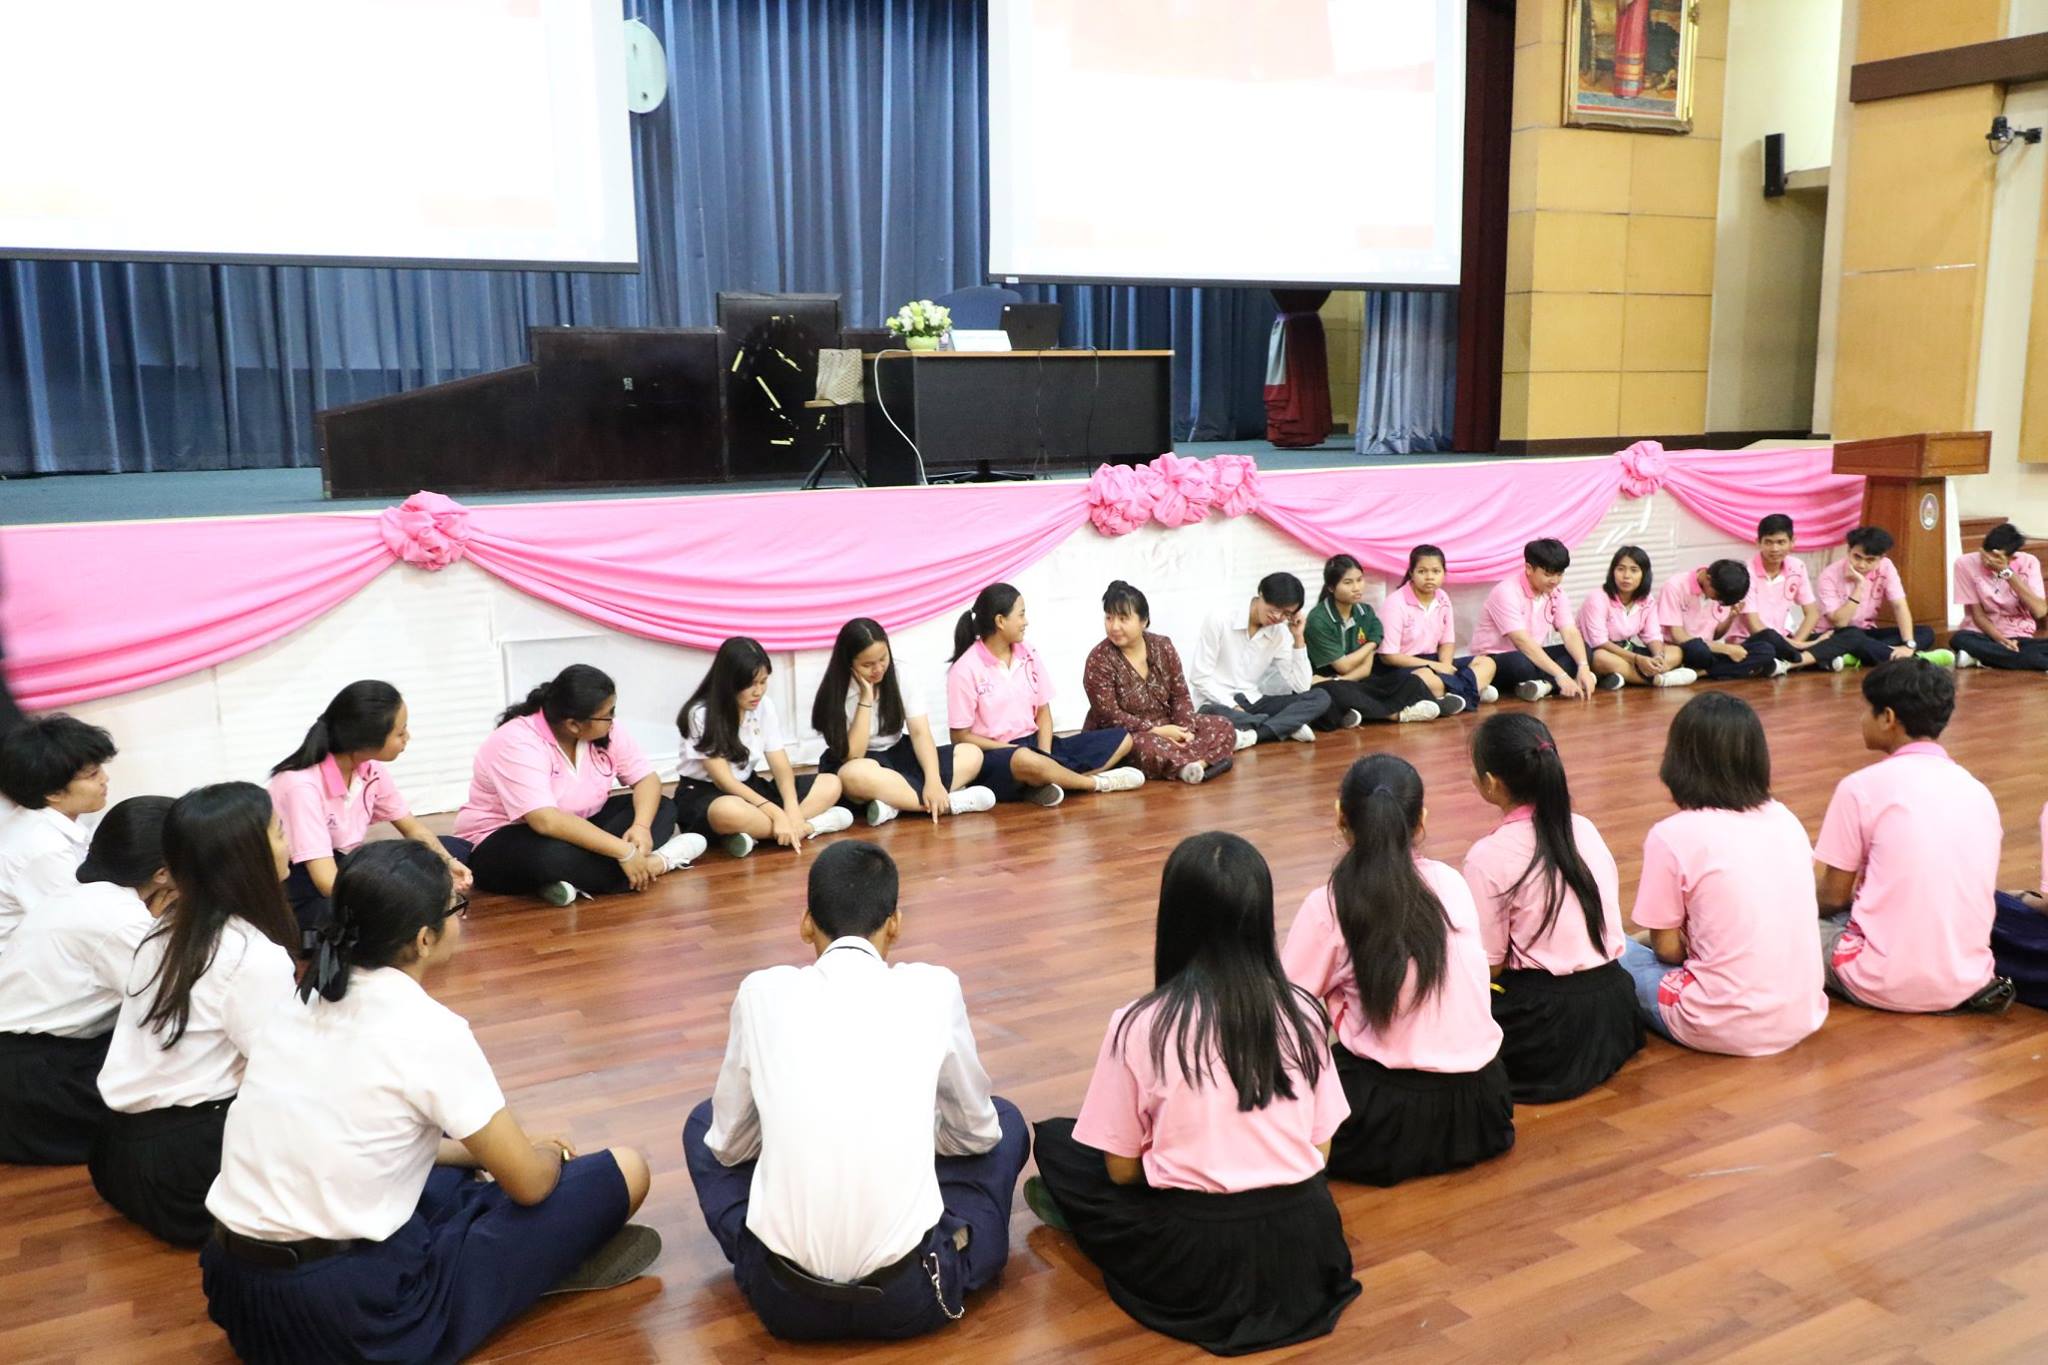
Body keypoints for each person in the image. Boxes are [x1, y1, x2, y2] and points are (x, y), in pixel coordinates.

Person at [201, 842, 657, 1363]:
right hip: (348, 1317)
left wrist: (473, 1154)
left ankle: (503, 1252)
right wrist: (546, 1152)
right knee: (626, 1170)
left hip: (237, 1292)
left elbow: (355, 1143)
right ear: (423, 939)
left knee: (454, 1169)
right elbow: (531, 1186)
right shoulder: (429, 1030)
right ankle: (524, 1272)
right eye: (456, 909)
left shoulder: (298, 1002)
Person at [1027, 833, 1361, 1354]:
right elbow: (1319, 1151)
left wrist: (1176, 1157)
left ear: (1174, 919)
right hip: (1307, 1242)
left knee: (1057, 1144)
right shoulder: (1303, 1012)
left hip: (1201, 1257)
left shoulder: (1141, 1023)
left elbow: (1121, 1170)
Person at [684, 841, 1030, 1342]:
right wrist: (919, 1134)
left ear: (806, 924)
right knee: (1005, 1122)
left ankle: (767, 1241)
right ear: (895, 923)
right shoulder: (935, 989)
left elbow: (730, 1147)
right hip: (911, 1296)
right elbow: (976, 1134)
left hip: (785, 1302)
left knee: (702, 1125)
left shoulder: (760, 993)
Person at [1281, 755, 1514, 1186]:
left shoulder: (1330, 903)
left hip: (1387, 1123)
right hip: (1484, 1108)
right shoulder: (1451, 882)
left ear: (1340, 815)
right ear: (1421, 819)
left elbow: (1283, 1012)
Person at [91, 782, 299, 1245]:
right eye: (280, 832)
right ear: (247, 858)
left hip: (116, 1155)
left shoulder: (166, 928)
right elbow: (283, 1075)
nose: (289, 843)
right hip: (185, 1170)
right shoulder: (251, 955)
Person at [1618, 694, 1828, 1056]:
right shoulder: (1785, 819)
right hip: (1803, 1012)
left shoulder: (1672, 834)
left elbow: (1668, 950)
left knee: (1609, 948)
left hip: (1721, 1021)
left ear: (1678, 759)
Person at [1813, 659, 2013, 1014]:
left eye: (1866, 709)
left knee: (1782, 921)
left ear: (1888, 718)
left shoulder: (1861, 787)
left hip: (1881, 979)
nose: (1861, 719)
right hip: (1967, 978)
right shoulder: (1978, 791)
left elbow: (1832, 897)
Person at [1462, 715, 1641, 1103]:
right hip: (1614, 1006)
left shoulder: (1488, 855)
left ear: (1491, 783)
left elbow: (1490, 966)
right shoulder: (1584, 827)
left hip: (1544, 1026)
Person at [0, 797, 173, 1164]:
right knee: (177, 1097)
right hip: (36, 1080)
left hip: (28, 1059)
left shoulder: (83, 895)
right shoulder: (121, 920)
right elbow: (171, 1002)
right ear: (162, 874)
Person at [454, 664, 698, 905]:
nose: (613, 719)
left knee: (662, 808)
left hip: (578, 825)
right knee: (550, 857)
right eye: (608, 714)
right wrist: (625, 852)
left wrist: (641, 827)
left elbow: (646, 779)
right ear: (573, 725)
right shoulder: (516, 742)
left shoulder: (605, 730)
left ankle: (566, 881)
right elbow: (545, 821)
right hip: (505, 838)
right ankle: (657, 864)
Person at [267, 680, 473, 934]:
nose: (407, 737)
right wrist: (399, 894)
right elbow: (326, 882)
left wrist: (448, 862)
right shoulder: (301, 786)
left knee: (451, 849)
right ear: (366, 739)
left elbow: (413, 828)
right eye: (400, 733)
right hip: (300, 886)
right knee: (384, 910)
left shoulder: (370, 770)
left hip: (343, 863)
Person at [946, 584, 1145, 806]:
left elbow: (1043, 711)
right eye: (1021, 614)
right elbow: (960, 737)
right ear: (1000, 621)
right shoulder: (965, 669)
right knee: (1025, 759)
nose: (1026, 622)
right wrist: (1016, 751)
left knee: (1122, 739)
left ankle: (1042, 781)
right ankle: (1095, 783)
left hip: (1036, 745)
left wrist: (1045, 753)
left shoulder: (1028, 653)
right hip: (995, 755)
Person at [677, 638, 853, 858]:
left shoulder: (764, 706)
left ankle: (762, 832)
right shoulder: (700, 714)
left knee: (831, 783)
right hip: (706, 792)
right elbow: (724, 781)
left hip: (748, 786)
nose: (758, 692)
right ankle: (809, 827)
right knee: (728, 811)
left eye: (763, 682)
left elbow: (780, 765)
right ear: (729, 682)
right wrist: (775, 812)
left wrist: (791, 808)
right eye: (751, 684)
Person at [810, 618, 996, 826]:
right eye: (867, 665)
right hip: (863, 760)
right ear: (848, 663)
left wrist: (933, 781)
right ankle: (949, 803)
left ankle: (894, 805)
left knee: (972, 754)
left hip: (900, 753)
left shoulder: (902, 674)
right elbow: (854, 755)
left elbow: (920, 733)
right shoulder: (836, 692)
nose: (878, 669)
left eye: (883, 658)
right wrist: (866, 699)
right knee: (852, 775)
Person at [1082, 581, 1245, 784]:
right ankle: (1203, 762)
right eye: (1109, 617)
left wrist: (1184, 731)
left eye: (1123, 618)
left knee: (1223, 725)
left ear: (1144, 621)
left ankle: (1195, 765)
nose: (1114, 626)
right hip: (1125, 734)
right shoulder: (1099, 659)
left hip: (1168, 723)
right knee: (1143, 746)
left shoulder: (1163, 646)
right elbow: (1109, 716)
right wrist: (1157, 731)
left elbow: (1180, 695)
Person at [0, 714, 115, 953]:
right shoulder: (42, 848)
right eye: (93, 774)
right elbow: (79, 926)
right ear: (53, 792)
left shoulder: (55, 820)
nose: (105, 779)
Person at [1187, 571, 1333, 742]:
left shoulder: (1280, 633)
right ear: (1261, 594)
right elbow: (1199, 677)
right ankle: (1285, 726)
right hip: (1217, 702)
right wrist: (1233, 705)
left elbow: (1301, 687)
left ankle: (1254, 733)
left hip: (1253, 701)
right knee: (1213, 715)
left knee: (1320, 697)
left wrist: (1298, 638)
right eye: (1275, 608)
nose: (1278, 617)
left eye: (1286, 614)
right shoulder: (1220, 619)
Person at [1303, 555, 1443, 726]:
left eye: (1359, 580)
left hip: (1356, 678)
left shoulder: (1366, 612)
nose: (1356, 588)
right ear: (1331, 588)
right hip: (1327, 680)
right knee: (1331, 692)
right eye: (1348, 583)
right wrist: (1371, 643)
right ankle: (1396, 714)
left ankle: (1355, 712)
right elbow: (1343, 666)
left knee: (1409, 679)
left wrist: (1370, 645)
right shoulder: (1318, 619)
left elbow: (1365, 670)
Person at [1727, 514, 1867, 672]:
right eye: (1768, 542)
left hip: (1786, 640)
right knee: (1768, 642)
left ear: (1792, 542)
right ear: (1758, 542)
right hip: (1753, 642)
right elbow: (1755, 627)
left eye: (1781, 542)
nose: (1775, 549)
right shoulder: (1746, 572)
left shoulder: (1796, 566)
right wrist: (1801, 645)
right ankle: (1811, 659)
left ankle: (1790, 663)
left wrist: (1797, 641)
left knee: (1851, 634)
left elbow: (1812, 613)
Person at [1463, 538, 1597, 702]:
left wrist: (1583, 667)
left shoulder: (1556, 593)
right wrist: (1561, 675)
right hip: (1498, 658)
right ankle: (1552, 683)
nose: (1554, 581)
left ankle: (1543, 686)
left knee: (1583, 651)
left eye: (1559, 574)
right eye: (1548, 574)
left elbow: (1569, 632)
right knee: (1519, 663)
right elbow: (1521, 641)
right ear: (1528, 568)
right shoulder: (1506, 591)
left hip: (1533, 655)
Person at [1377, 544, 1492, 707]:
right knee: (1424, 678)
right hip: (1403, 666)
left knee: (1487, 663)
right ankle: (1471, 691)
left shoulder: (1442, 597)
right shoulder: (1395, 603)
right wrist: (1435, 666)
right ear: (1411, 573)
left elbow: (1447, 642)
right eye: (1422, 571)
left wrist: (1445, 666)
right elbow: (1389, 657)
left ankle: (1454, 695)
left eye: (1436, 571)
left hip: (1435, 660)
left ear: (1444, 573)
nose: (1429, 577)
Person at [1816, 526, 1947, 664]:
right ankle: (1916, 660)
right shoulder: (1829, 575)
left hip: (1866, 633)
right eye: (1857, 557)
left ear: (1881, 558)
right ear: (1849, 550)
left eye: (1870, 560)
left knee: (1925, 632)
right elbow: (1840, 623)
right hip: (1836, 634)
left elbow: (1899, 605)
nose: (1861, 565)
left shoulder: (1886, 566)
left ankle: (1857, 656)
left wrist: (1908, 644)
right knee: (1853, 638)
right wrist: (1859, 586)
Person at [1577, 546, 1695, 689]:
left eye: (1634, 570)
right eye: (1621, 569)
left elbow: (1652, 636)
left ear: (1644, 574)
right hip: (1598, 651)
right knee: (1601, 658)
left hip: (1626, 650)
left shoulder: (1647, 600)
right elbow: (1599, 642)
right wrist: (1637, 659)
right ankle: (1659, 680)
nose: (1626, 576)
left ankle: (1625, 675)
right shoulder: (1597, 598)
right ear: (1612, 572)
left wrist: (1658, 657)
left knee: (1676, 651)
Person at [1655, 559, 1788, 681]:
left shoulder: (1722, 592)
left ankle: (1699, 673)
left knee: (1766, 649)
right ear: (1708, 579)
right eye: (1718, 598)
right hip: (1684, 649)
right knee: (1698, 649)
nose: (1719, 602)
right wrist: (1726, 649)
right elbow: (1678, 636)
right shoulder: (1675, 586)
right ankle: (1725, 669)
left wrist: (1731, 617)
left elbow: (1716, 635)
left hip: (1712, 649)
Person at [1951, 522, 2048, 671]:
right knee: (1959, 639)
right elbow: (1978, 616)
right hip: (1982, 634)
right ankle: (2037, 661)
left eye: (1996, 558)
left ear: (2012, 557)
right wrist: (2002, 640)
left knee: (2038, 646)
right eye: (1985, 555)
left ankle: (1982, 658)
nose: (1987, 562)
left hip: (2019, 635)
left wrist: (2007, 573)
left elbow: (2040, 611)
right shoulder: (1964, 564)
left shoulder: (2029, 563)